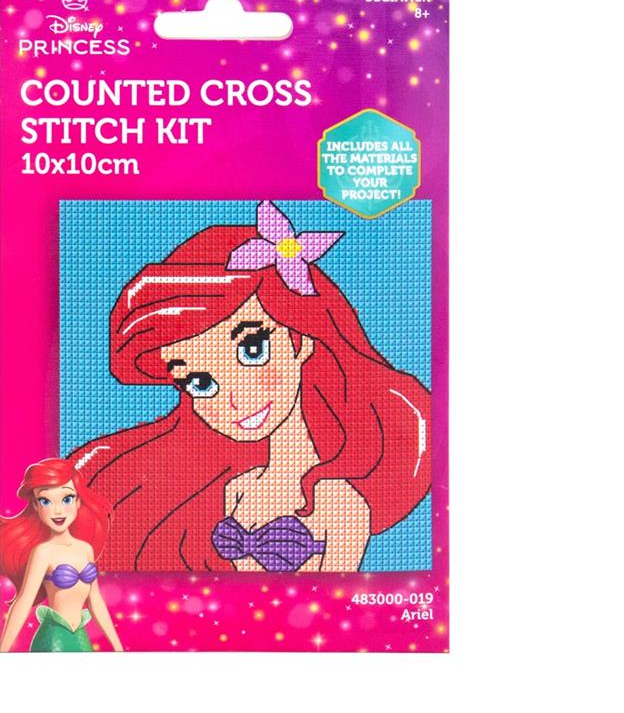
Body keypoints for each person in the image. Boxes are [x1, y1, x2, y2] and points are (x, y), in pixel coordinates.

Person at [71, 201, 431, 572]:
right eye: (200, 382)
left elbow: (334, 595)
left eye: (253, 350)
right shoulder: (236, 489)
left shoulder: (338, 501)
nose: (234, 399)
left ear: (300, 339)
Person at [0, 458, 123, 651]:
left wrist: (118, 647)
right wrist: (2, 651)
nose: (57, 510)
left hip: (80, 635)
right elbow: (24, 600)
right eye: (45, 501)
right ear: (35, 506)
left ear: (78, 501)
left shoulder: (85, 549)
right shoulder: (43, 552)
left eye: (67, 499)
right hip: (53, 639)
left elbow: (95, 601)